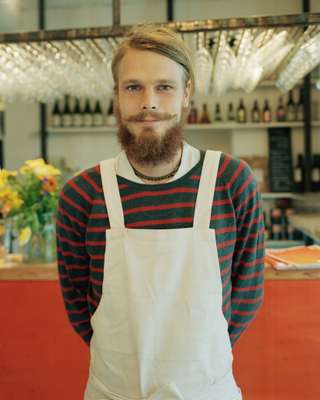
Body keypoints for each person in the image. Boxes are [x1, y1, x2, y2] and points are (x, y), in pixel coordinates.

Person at [56, 25, 265, 400]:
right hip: (113, 392)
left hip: (207, 391)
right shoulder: (81, 195)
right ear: (116, 97)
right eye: (133, 87)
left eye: (164, 87)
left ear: (186, 94)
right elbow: (79, 306)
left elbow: (247, 294)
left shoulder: (231, 182)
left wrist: (195, 358)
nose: (148, 102)